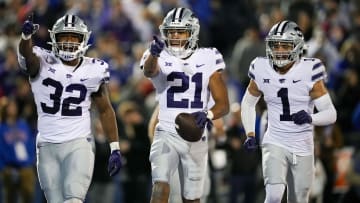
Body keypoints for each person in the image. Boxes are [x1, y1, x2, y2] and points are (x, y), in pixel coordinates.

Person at [17, 14, 122, 203]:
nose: (68, 42)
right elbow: (28, 57)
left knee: (73, 199)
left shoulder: (94, 68)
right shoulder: (41, 59)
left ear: (83, 39)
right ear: (54, 39)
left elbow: (105, 110)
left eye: (74, 37)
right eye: (64, 37)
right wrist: (25, 38)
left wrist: (115, 147)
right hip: (47, 145)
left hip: (78, 142)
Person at [240, 20, 337, 203]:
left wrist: (311, 118)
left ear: (297, 47)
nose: (279, 50)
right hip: (274, 139)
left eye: (285, 45)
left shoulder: (309, 71)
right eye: (275, 45)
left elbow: (331, 113)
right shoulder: (261, 68)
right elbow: (247, 103)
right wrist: (250, 133)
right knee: (274, 196)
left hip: (303, 144)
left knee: (299, 199)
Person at [140, 7, 229, 203]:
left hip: (196, 135)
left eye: (180, 31)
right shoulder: (159, 55)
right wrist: (153, 55)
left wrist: (208, 115)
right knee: (160, 186)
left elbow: (224, 104)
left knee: (192, 198)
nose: (175, 36)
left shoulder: (208, 57)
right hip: (166, 132)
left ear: (192, 33)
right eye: (171, 31)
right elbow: (149, 71)